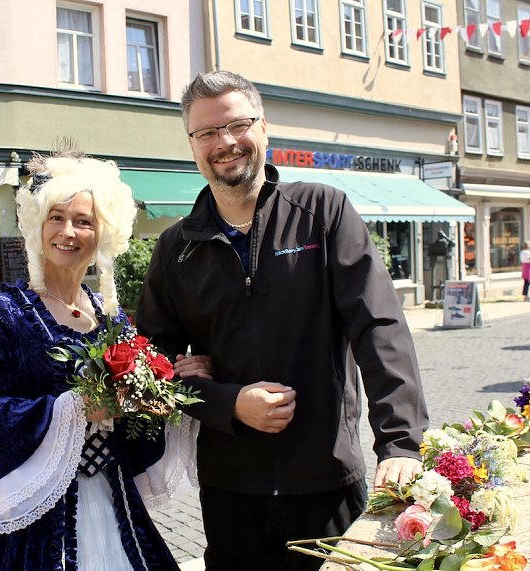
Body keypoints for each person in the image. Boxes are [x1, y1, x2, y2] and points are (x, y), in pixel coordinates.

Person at [136, 71, 428, 571]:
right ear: (192, 145)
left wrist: (400, 443)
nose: (225, 142)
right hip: (230, 489)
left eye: (237, 125)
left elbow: (378, 326)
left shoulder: (322, 211)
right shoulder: (176, 247)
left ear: (264, 128)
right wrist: (227, 402)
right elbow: (148, 365)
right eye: (207, 132)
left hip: (326, 479)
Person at [0, 148, 205, 570]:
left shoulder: (110, 318)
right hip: (28, 517)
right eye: (56, 217)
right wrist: (75, 410)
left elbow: (133, 415)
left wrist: (169, 386)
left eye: (84, 221)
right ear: (37, 225)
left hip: (113, 501)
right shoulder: (2, 313)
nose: (68, 232)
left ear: (103, 233)